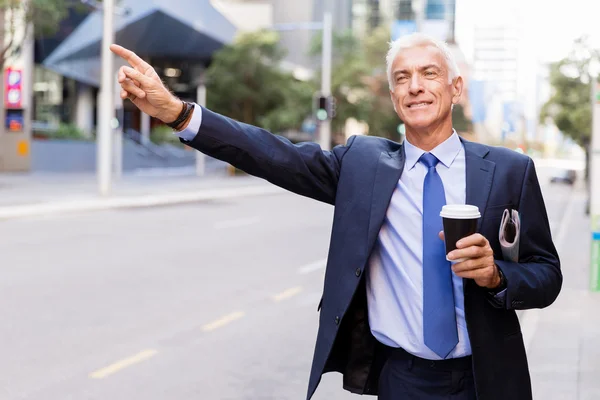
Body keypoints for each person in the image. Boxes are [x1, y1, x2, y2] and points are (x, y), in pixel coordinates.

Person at [110, 32, 562, 400]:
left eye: (429, 74)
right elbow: (272, 154)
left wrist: (496, 277)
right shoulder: (363, 165)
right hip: (400, 379)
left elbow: (547, 275)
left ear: (455, 88)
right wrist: (175, 111)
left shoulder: (508, 171)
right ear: (393, 96)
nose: (415, 86)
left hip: (486, 377)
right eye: (402, 78)